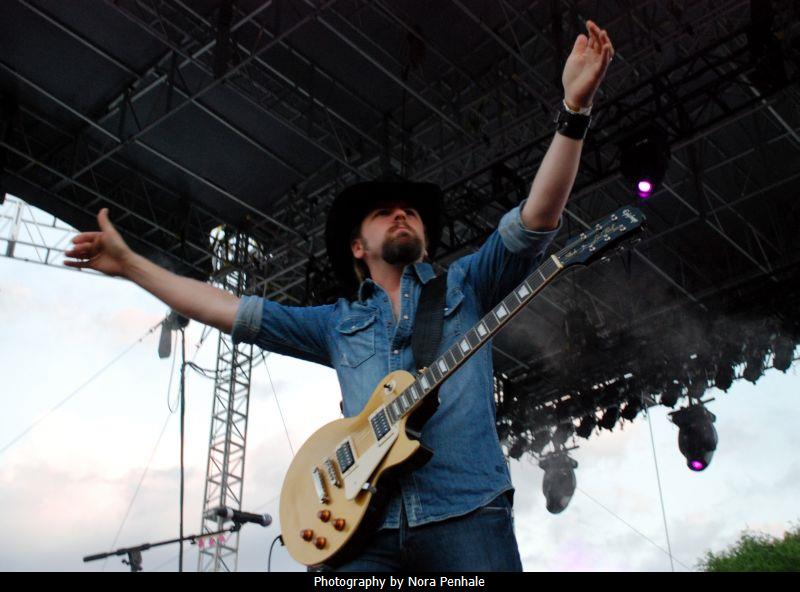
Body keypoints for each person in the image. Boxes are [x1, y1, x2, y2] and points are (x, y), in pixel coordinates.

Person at [65, 21, 614, 571]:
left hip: (466, 514)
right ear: (358, 246)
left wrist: (575, 109)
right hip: (362, 530)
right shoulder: (337, 322)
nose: (401, 215)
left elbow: (536, 218)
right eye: (384, 212)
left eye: (411, 212)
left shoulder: (467, 285)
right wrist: (132, 266)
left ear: (425, 240)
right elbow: (226, 309)